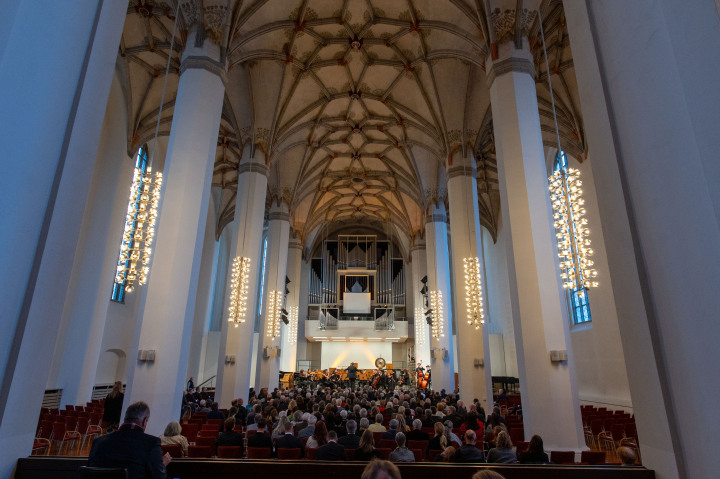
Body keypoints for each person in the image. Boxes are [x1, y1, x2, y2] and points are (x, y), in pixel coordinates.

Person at [88, 401, 170, 479]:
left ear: (125, 419)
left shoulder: (98, 442)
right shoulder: (151, 443)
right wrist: (162, 465)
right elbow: (159, 477)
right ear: (144, 421)